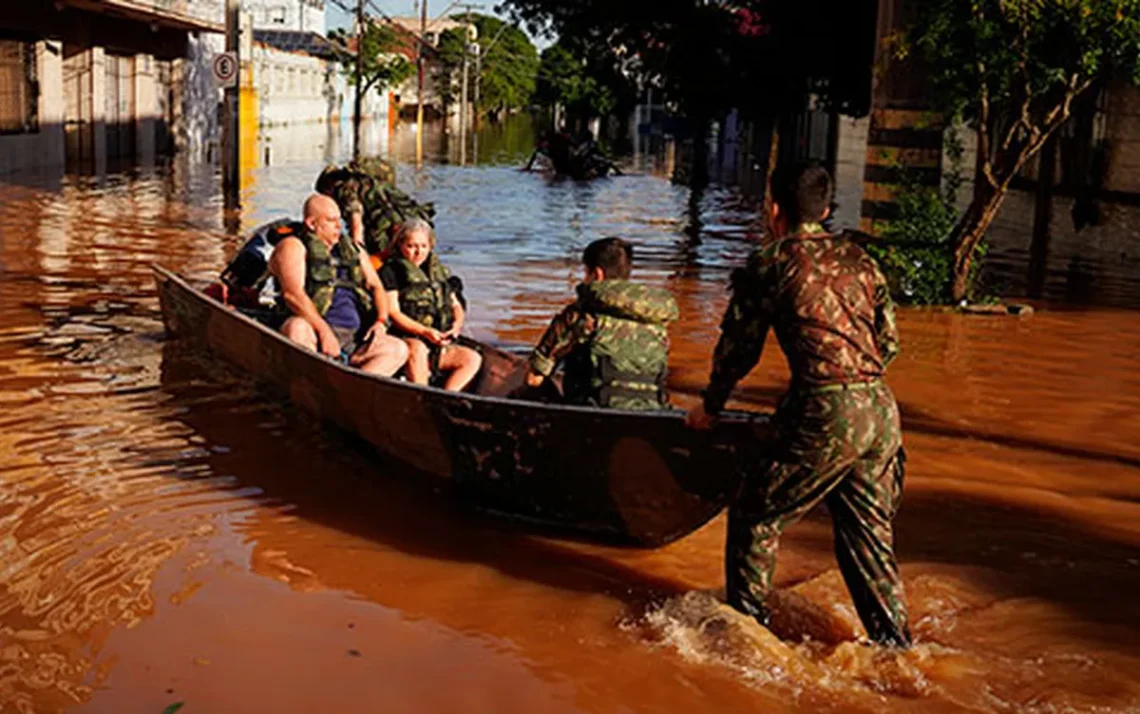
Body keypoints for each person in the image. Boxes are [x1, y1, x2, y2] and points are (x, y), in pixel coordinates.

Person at [686, 163, 912, 648]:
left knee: (755, 514)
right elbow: (888, 343)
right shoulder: (861, 260)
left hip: (828, 411)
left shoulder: (771, 263)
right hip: (881, 410)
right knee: (867, 537)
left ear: (773, 210)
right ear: (827, 209)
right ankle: (897, 650)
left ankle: (745, 638)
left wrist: (711, 406)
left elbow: (737, 351)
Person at [524, 237, 679, 410]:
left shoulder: (580, 315)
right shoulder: (655, 323)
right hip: (651, 411)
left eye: (585, 273)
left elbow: (534, 378)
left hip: (594, 412)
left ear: (597, 274)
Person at [269, 194, 409, 377]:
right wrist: (324, 332)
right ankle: (309, 385)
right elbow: (292, 294)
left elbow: (376, 286)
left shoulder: (352, 250)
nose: (339, 226)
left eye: (339, 220)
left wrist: (381, 322)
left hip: (354, 337)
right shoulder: (293, 246)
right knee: (297, 328)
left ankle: (353, 391)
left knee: (397, 348)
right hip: (314, 331)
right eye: (331, 220)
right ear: (312, 224)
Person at [381, 219, 482, 391]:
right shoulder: (390, 271)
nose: (418, 252)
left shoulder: (438, 272)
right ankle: (423, 397)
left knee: (472, 358)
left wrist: (456, 327)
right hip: (408, 340)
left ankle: (450, 398)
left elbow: (455, 305)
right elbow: (393, 312)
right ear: (400, 244)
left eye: (423, 246)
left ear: (430, 246)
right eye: (411, 246)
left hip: (438, 343)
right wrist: (424, 332)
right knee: (418, 349)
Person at [315, 159, 435, 258]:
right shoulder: (370, 181)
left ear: (328, 187)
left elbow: (356, 224)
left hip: (384, 229)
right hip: (413, 224)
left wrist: (358, 256)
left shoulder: (344, 190)